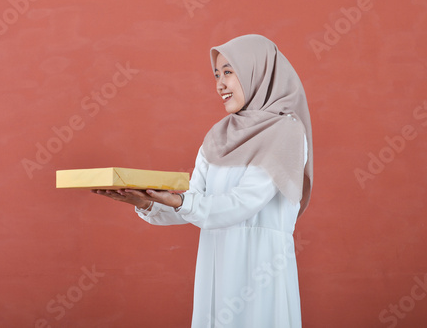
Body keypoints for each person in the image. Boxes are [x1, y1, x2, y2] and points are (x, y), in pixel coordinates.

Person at [93, 34, 313, 328]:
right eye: (216, 75)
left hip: (262, 268)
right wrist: (145, 201)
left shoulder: (286, 132)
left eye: (228, 72)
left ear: (257, 70)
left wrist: (181, 201)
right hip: (218, 264)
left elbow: (244, 202)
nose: (220, 84)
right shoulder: (218, 137)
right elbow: (196, 199)